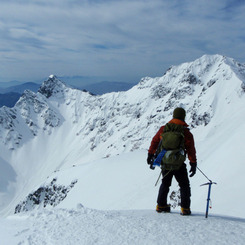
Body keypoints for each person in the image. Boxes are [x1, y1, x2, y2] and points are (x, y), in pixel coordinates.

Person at [147, 107, 197, 215]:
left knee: (165, 183)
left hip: (165, 162)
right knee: (184, 185)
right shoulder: (186, 132)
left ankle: (161, 206)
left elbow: (155, 141)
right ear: (183, 117)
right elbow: (191, 149)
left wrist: (150, 154)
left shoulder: (164, 129)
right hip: (179, 164)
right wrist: (193, 163)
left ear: (173, 116)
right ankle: (185, 208)